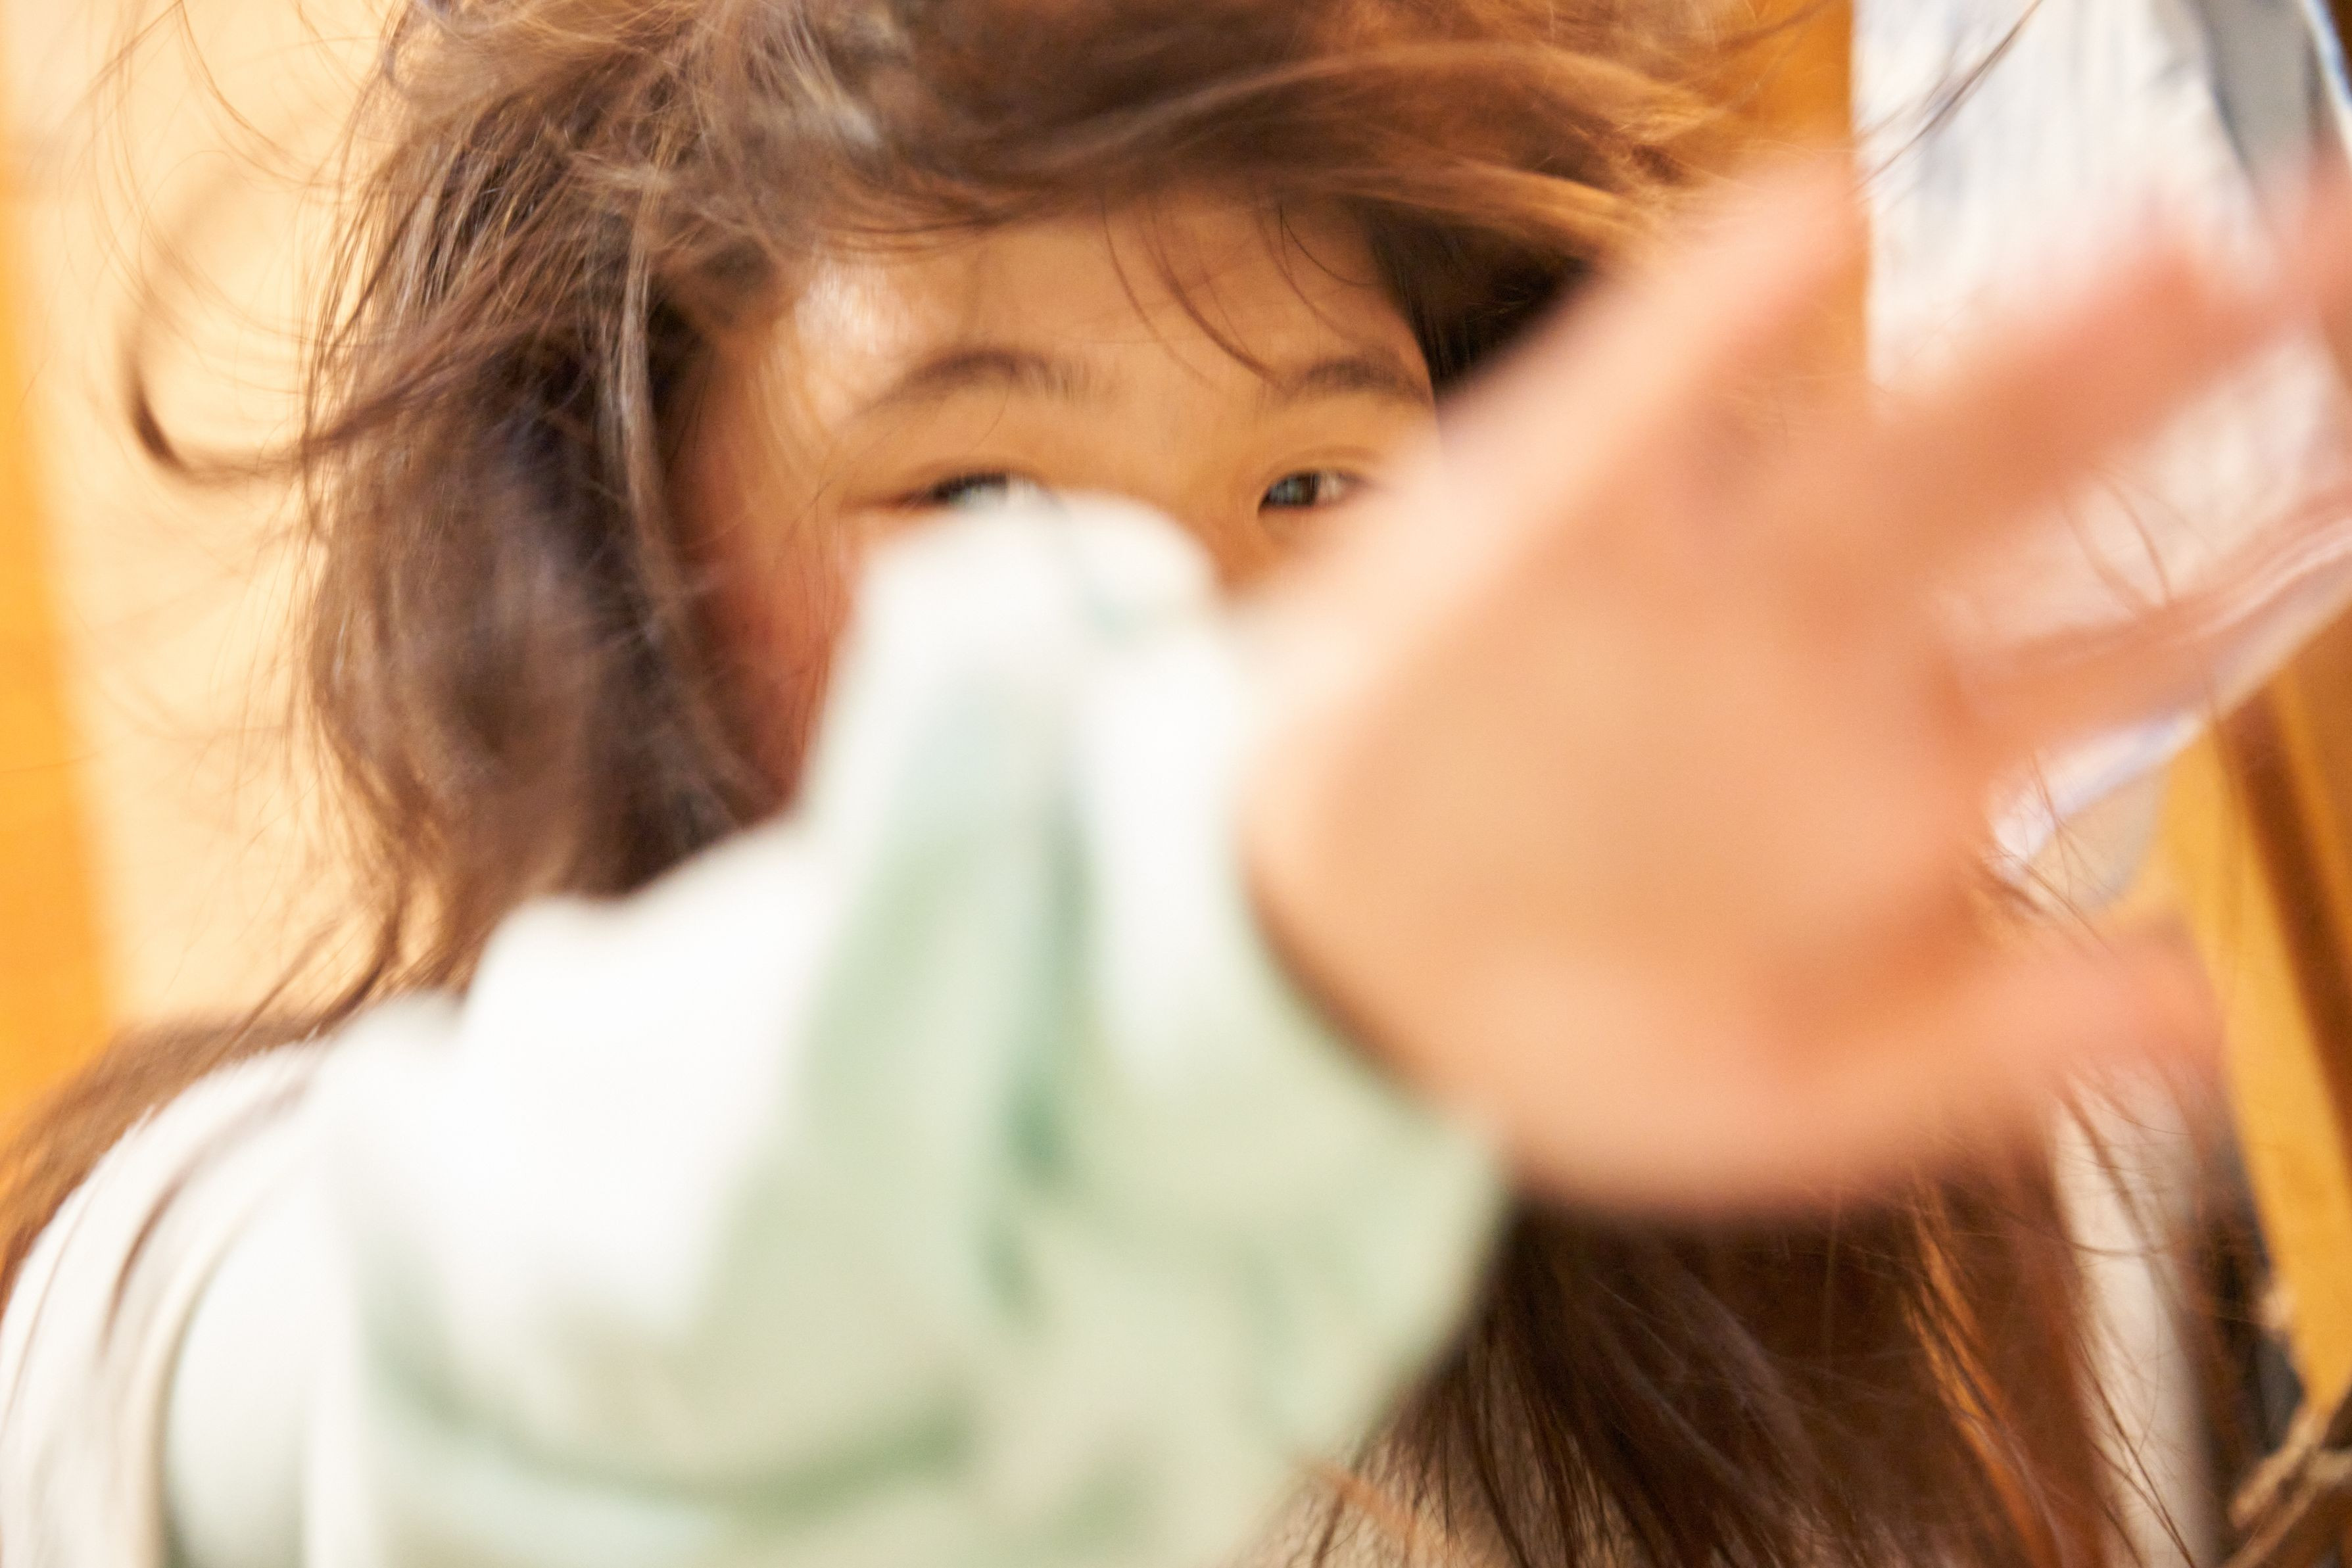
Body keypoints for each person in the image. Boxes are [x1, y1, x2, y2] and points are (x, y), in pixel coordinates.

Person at [2, 3, 2343, 1565]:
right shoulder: (203, 1280)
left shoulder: (1742, 1256)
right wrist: (1220, 967)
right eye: (983, 494)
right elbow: (487, 1358)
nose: (1208, 647)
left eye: (1314, 487)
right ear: (621, 565)